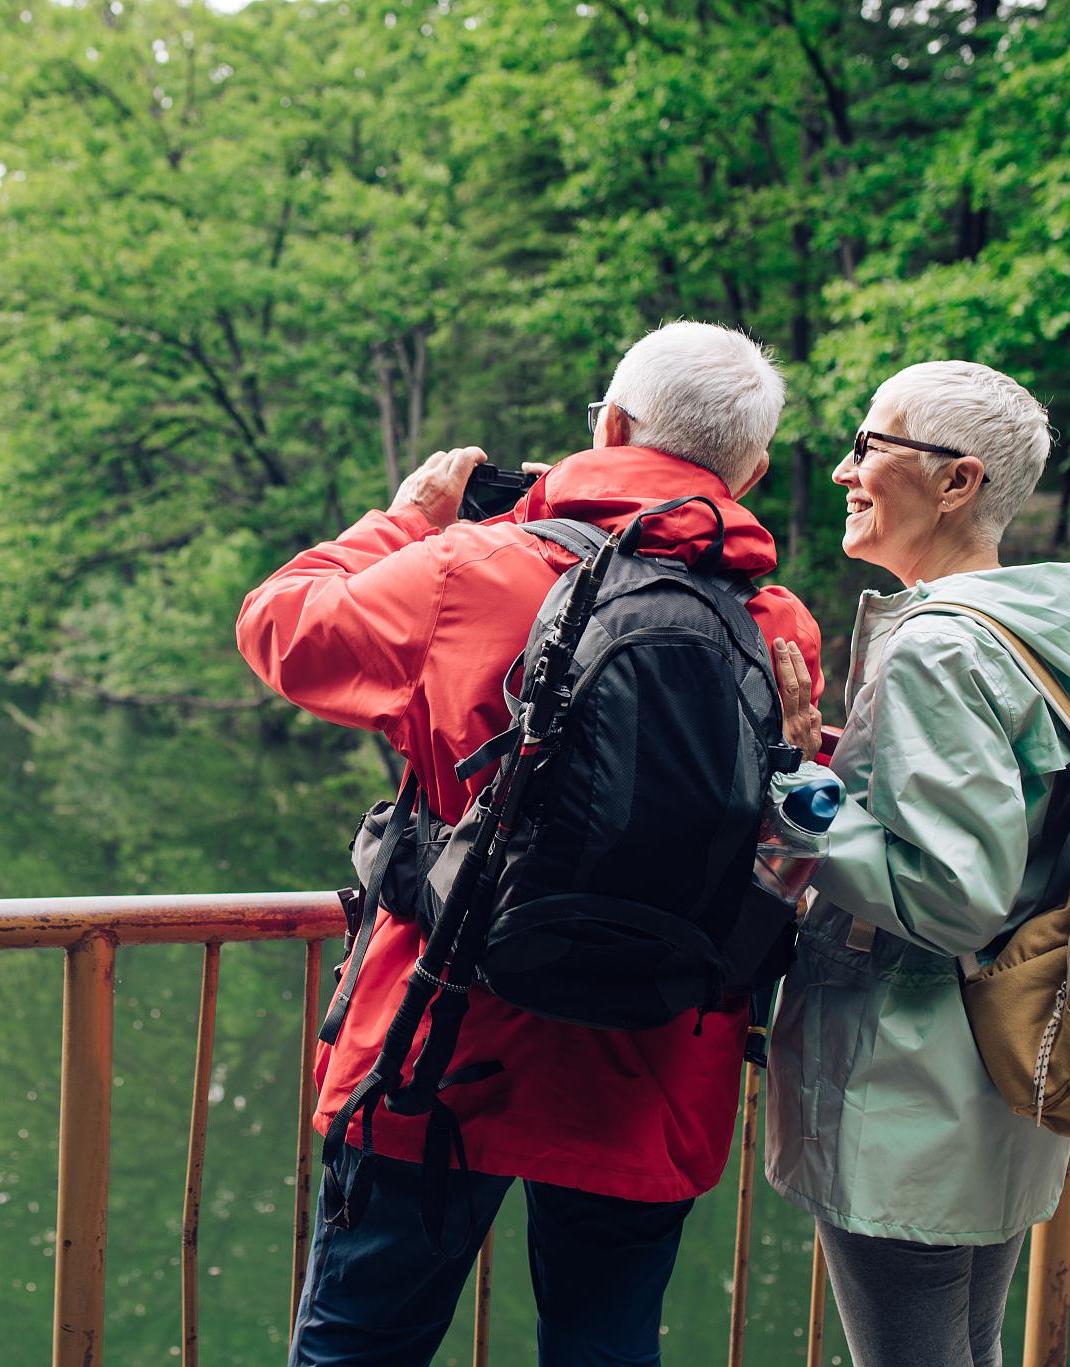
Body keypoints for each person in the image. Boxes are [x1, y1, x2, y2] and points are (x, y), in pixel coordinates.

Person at [237, 320, 825, 1366]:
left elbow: (281, 627)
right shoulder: (776, 621)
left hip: (439, 1045)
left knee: (357, 1347)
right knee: (602, 1346)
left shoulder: (468, 567)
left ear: (609, 422)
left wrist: (409, 517)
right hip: (650, 1063)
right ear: (753, 467)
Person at [765, 361, 1070, 1366]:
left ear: (957, 482)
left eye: (871, 447)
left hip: (909, 1086)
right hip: (998, 1069)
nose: (844, 471)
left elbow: (950, 891)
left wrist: (785, 785)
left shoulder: (936, 647)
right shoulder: (1034, 636)